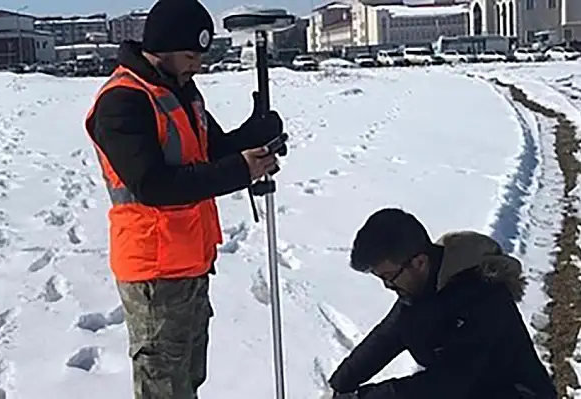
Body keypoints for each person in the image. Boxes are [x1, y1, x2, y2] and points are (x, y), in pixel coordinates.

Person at [83, 0, 287, 397]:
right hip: (154, 273)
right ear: (163, 48)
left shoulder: (181, 93)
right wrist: (241, 170)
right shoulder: (123, 102)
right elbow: (154, 185)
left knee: (186, 381)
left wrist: (254, 135)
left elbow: (211, 152)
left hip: (190, 262)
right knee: (164, 388)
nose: (198, 65)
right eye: (192, 55)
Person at [324, 208, 557, 399]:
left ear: (419, 262)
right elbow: (387, 337)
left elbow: (447, 384)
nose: (388, 286)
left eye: (388, 276)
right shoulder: (423, 287)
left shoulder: (482, 295)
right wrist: (340, 384)